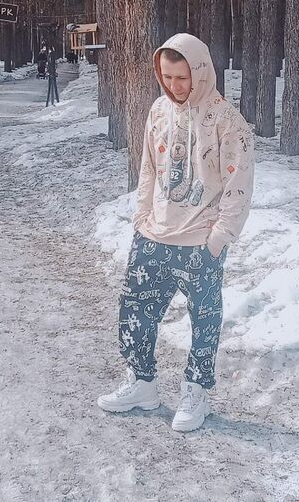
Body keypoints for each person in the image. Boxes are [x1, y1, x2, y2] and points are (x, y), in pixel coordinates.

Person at [97, 33, 255, 432]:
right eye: (166, 77)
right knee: (135, 309)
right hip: (153, 235)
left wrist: (218, 239)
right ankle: (142, 383)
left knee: (204, 319)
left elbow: (238, 184)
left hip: (200, 241)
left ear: (200, 71)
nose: (174, 85)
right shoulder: (158, 110)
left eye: (182, 77)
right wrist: (141, 218)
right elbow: (148, 168)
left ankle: (196, 392)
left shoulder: (227, 120)